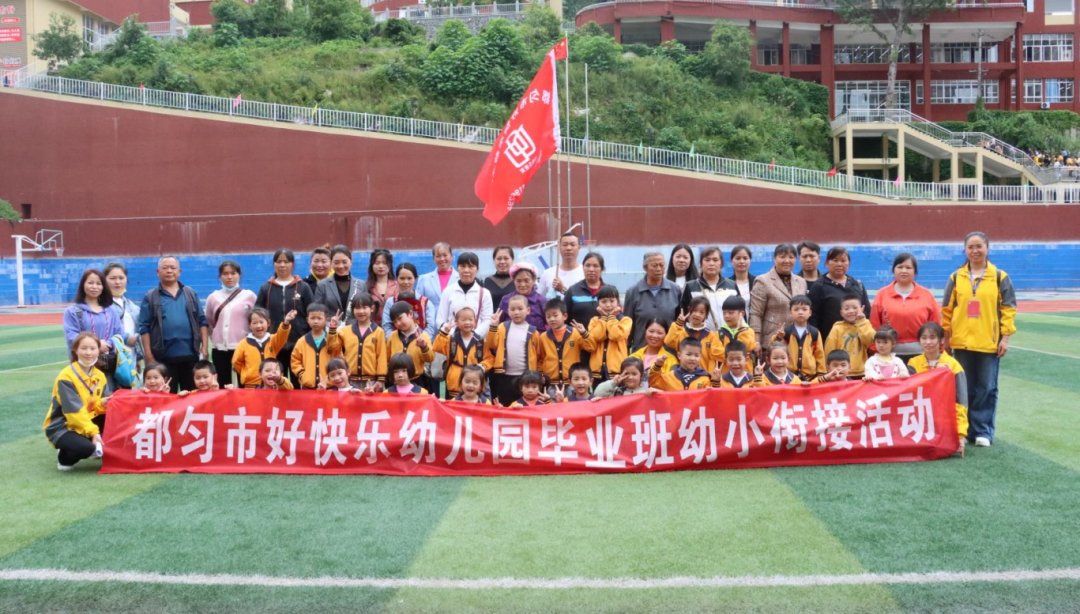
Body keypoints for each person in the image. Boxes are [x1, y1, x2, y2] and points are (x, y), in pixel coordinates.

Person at [941, 231, 1016, 448]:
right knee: (964, 387)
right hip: (962, 342)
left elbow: (1008, 309)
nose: (975, 251)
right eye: (971, 247)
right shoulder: (956, 277)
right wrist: (946, 338)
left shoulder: (1000, 277)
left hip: (988, 343)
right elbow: (946, 310)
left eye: (979, 246)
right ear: (965, 250)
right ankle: (964, 429)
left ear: (987, 248)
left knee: (987, 387)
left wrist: (1005, 338)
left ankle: (983, 430)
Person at [138, 256, 209, 393]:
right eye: (165, 268)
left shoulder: (190, 293)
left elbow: (202, 321)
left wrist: (205, 348)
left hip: (191, 356)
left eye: (173, 268)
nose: (169, 271)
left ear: (179, 271)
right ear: (158, 272)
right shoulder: (150, 296)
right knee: (166, 398)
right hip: (163, 358)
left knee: (193, 397)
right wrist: (149, 355)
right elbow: (144, 327)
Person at [44, 331, 110, 471]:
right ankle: (64, 457)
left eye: (93, 348)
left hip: (88, 419)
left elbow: (97, 405)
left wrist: (103, 403)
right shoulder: (66, 377)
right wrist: (94, 433)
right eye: (84, 348)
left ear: (98, 350)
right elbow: (74, 412)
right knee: (86, 449)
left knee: (114, 424)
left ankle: (88, 442)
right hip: (63, 425)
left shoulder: (100, 376)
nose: (88, 353)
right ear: (75, 350)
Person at [908, 322, 969, 455]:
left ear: (942, 340)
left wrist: (960, 435)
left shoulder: (953, 365)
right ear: (919, 341)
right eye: (924, 338)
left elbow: (961, 402)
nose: (928, 342)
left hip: (945, 422)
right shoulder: (913, 363)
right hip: (921, 422)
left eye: (932, 337)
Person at [870, 253, 941, 364]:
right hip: (888, 354)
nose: (904, 271)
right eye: (900, 267)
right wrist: (876, 349)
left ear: (915, 272)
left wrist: (937, 351)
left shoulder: (927, 295)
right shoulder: (882, 295)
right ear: (893, 270)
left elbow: (935, 326)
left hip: (922, 354)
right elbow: (874, 326)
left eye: (908, 267)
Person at [255, 248, 313, 381]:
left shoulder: (303, 287)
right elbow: (257, 314)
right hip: (274, 345)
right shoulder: (266, 288)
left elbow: (311, 313)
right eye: (279, 261)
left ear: (292, 264)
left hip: (298, 344)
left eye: (286, 262)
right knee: (276, 381)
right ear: (274, 264)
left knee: (297, 382)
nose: (282, 265)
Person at [205, 260, 256, 389]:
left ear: (239, 275)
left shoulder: (249, 296)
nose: (229, 277)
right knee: (223, 385)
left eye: (233, 273)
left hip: (244, 348)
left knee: (245, 383)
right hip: (220, 349)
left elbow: (256, 320)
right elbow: (209, 322)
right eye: (225, 274)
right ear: (220, 276)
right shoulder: (213, 297)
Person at [484, 295, 541, 406]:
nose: (516, 312)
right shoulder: (502, 327)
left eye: (520, 309)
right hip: (504, 375)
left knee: (525, 405)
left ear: (528, 310)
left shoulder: (533, 332)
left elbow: (538, 355)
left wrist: (538, 374)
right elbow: (491, 344)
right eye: (513, 309)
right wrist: (493, 325)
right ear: (508, 311)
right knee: (506, 405)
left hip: (525, 377)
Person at [750, 244, 808, 352]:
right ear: (774, 258)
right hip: (771, 341)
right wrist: (756, 342)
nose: (787, 261)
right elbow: (756, 314)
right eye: (782, 257)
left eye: (791, 257)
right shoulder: (763, 281)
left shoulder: (801, 282)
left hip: (796, 341)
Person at [807, 246, 872, 340]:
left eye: (843, 260)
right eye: (835, 260)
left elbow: (867, 312)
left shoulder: (857, 285)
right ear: (827, 263)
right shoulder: (819, 286)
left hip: (857, 341)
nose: (839, 264)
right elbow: (813, 318)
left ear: (849, 263)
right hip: (830, 341)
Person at [624, 251, 682, 351]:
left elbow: (679, 323)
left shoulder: (675, 290)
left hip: (669, 351)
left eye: (662, 265)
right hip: (641, 350)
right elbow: (627, 325)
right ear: (645, 267)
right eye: (654, 266)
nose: (659, 269)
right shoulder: (633, 292)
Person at [436, 252, 494, 339]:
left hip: (476, 341)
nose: (466, 270)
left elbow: (487, 320)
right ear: (457, 268)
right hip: (452, 341)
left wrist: (473, 336)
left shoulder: (485, 293)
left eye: (471, 266)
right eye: (462, 266)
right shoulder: (448, 291)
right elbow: (440, 320)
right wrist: (454, 335)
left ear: (477, 269)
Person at [581, 285, 632, 385]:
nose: (608, 305)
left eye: (612, 301)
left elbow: (616, 335)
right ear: (598, 303)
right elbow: (597, 336)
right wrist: (604, 318)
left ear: (618, 302)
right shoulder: (594, 320)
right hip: (597, 372)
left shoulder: (626, 320)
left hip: (617, 371)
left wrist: (612, 317)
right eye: (604, 301)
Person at [232, 307, 294, 388]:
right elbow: (236, 362)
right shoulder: (243, 344)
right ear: (250, 325)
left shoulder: (273, 340)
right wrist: (247, 372)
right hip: (250, 386)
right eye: (254, 323)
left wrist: (286, 322)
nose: (258, 326)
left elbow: (282, 336)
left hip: (270, 384)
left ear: (268, 323)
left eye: (261, 322)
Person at [680, 246, 737, 333]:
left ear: (721, 264)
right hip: (701, 337)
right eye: (707, 260)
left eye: (715, 260)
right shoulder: (690, 287)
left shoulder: (732, 285)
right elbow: (684, 315)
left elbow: (740, 314)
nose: (711, 263)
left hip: (730, 336)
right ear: (701, 264)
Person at [338, 293, 387, 391]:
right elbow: (333, 348)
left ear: (372, 308)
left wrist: (381, 378)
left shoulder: (378, 332)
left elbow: (381, 356)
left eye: (364, 308)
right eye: (357, 308)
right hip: (350, 380)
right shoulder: (345, 331)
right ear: (352, 310)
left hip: (371, 380)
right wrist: (332, 330)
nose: (361, 311)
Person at [434, 306, 485, 398]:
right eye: (463, 320)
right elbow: (437, 347)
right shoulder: (451, 339)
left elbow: (489, 358)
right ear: (456, 322)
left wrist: (482, 366)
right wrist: (443, 333)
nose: (467, 322)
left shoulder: (480, 341)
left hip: (473, 383)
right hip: (455, 382)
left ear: (475, 322)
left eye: (470, 319)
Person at [290, 303, 344, 390]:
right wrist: (302, 374)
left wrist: (332, 328)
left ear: (326, 320)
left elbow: (339, 357)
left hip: (329, 388)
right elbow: (295, 361)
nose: (315, 321)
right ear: (307, 320)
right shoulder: (302, 341)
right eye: (312, 318)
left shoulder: (332, 339)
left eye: (319, 318)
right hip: (308, 388)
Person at [773, 295, 825, 382]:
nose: (800, 312)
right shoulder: (786, 332)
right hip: (789, 376)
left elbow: (819, 355)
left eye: (804, 309)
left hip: (810, 376)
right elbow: (774, 348)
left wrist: (821, 374)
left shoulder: (814, 332)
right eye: (796, 309)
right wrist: (778, 337)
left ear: (810, 312)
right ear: (790, 312)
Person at [665, 297, 722, 374]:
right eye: (695, 310)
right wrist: (678, 324)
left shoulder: (711, 335)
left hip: (704, 376)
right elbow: (669, 342)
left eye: (702, 312)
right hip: (684, 375)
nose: (697, 314)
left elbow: (719, 354)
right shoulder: (681, 332)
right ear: (689, 310)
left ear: (706, 315)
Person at [541, 298, 589, 390]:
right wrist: (542, 375)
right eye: (548, 316)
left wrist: (584, 333)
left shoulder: (575, 333)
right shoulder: (543, 337)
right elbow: (540, 358)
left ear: (565, 316)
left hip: (572, 381)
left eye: (555, 315)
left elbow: (590, 347)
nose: (552, 319)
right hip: (551, 383)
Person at [825, 295, 877, 379]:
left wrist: (862, 321)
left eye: (855, 308)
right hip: (840, 372)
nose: (851, 311)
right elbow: (829, 350)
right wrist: (830, 371)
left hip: (861, 372)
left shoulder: (864, 324)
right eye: (846, 309)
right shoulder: (837, 328)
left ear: (862, 308)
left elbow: (870, 340)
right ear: (841, 313)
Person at [314, 245, 366, 326]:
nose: (341, 266)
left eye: (344, 262)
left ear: (351, 261)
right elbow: (317, 311)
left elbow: (366, 310)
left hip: (356, 330)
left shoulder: (361, 285)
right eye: (336, 262)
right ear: (331, 263)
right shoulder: (322, 285)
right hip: (330, 330)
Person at [387, 300, 435, 384]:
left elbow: (430, 358)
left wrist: (424, 347)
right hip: (396, 381)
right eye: (395, 321)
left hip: (416, 380)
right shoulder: (392, 336)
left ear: (410, 314)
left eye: (400, 318)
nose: (398, 323)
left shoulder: (423, 336)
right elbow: (387, 358)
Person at [382, 263, 435, 340]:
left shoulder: (425, 302)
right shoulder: (391, 302)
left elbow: (430, 327)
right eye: (402, 278)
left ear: (415, 279)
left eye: (409, 278)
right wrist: (396, 341)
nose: (406, 282)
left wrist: (420, 341)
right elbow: (386, 326)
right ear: (396, 279)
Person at [103, 262, 141, 363]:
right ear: (104, 280)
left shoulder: (133, 307)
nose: (117, 282)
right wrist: (126, 338)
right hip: (109, 360)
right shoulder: (100, 306)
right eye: (112, 278)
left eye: (121, 278)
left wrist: (138, 358)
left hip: (129, 361)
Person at [648, 338, 716, 391]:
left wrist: (716, 381)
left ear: (700, 356)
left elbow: (712, 398)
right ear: (679, 355)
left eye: (696, 355)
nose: (693, 358)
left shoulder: (704, 378)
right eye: (689, 354)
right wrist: (657, 366)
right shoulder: (669, 377)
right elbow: (653, 383)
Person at [498, 262, 547, 332]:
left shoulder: (543, 301)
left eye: (526, 280)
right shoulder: (506, 300)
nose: (523, 284)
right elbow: (499, 322)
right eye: (518, 281)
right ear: (513, 281)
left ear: (534, 280)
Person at [564, 252, 606, 328]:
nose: (591, 269)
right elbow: (564, 318)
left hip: (603, 335)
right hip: (577, 334)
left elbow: (617, 317)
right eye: (587, 265)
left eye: (595, 266)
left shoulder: (609, 291)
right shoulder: (573, 291)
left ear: (602, 269)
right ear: (583, 268)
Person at [415, 242, 458, 317]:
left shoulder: (460, 279)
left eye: (445, 255)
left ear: (451, 256)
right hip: (431, 322)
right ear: (433, 258)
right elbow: (418, 304)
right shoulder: (424, 279)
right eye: (438, 256)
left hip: (454, 322)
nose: (442, 259)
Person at [537, 232, 584, 298]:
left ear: (579, 248)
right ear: (559, 248)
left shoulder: (585, 273)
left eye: (573, 245)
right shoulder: (547, 274)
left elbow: (585, 301)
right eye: (565, 245)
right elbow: (539, 299)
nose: (568, 248)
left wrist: (562, 289)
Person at [717, 296, 756, 372]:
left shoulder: (748, 331)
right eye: (724, 313)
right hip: (725, 375)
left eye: (731, 312)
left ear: (742, 313)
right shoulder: (719, 333)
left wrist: (742, 330)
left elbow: (747, 346)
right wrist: (737, 356)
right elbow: (715, 352)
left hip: (745, 375)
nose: (726, 316)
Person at [593, 357, 659, 397]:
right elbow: (598, 393)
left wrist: (656, 392)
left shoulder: (646, 393)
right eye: (626, 374)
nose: (630, 377)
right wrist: (614, 382)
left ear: (641, 375)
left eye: (634, 374)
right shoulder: (617, 392)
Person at [364, 248, 397, 319]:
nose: (381, 266)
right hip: (373, 324)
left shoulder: (397, 286)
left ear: (390, 265)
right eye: (377, 263)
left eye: (384, 263)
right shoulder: (365, 286)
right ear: (372, 266)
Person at [484, 245, 517, 310]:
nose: (502, 262)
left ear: (512, 260)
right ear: (494, 260)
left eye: (506, 258)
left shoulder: (517, 281)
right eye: (499, 259)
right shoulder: (488, 281)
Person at [730, 245, 757, 320]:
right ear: (732, 261)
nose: (741, 261)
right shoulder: (727, 284)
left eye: (745, 258)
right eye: (738, 258)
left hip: (755, 324)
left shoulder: (757, 282)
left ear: (750, 261)